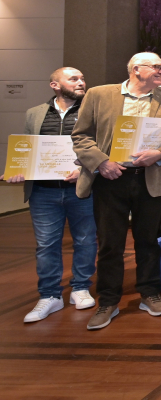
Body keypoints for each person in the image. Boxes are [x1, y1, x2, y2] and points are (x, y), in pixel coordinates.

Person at [71, 53, 161, 330]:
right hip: (110, 179)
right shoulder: (99, 95)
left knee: (149, 241)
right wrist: (102, 162)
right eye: (156, 67)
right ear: (136, 69)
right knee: (110, 244)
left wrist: (160, 153)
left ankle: (150, 293)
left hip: (150, 179)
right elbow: (81, 136)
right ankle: (108, 301)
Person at [2, 67, 96, 323]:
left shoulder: (92, 110)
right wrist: (19, 170)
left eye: (82, 78)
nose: (81, 82)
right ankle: (50, 295)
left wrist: (85, 170)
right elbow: (28, 148)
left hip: (82, 190)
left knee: (86, 241)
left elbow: (101, 147)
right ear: (55, 85)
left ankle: (80, 288)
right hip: (43, 192)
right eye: (73, 79)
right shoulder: (34, 113)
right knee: (46, 245)